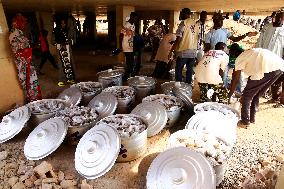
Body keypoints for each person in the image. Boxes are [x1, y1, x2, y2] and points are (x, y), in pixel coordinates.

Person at [228, 48, 284, 127]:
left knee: (247, 95)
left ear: (233, 55)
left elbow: (236, 78)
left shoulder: (240, 58)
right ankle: (252, 119)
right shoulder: (250, 52)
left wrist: (230, 94)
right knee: (257, 93)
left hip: (267, 69)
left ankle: (245, 121)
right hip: (279, 67)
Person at [9, 14, 42, 102]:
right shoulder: (14, 34)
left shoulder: (19, 33)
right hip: (24, 63)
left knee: (32, 82)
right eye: (23, 23)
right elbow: (17, 51)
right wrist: (31, 49)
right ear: (18, 23)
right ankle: (33, 101)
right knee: (29, 83)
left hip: (28, 62)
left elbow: (24, 47)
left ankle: (36, 100)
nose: (24, 25)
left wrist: (31, 48)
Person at [256, 12, 284, 103]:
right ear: (275, 18)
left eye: (282, 18)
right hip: (263, 58)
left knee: (276, 81)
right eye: (278, 18)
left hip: (277, 60)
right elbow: (260, 41)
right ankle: (257, 96)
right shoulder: (267, 27)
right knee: (260, 78)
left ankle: (275, 97)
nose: (279, 20)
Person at [169, 8, 200, 84]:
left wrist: (172, 50)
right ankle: (188, 87)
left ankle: (179, 87)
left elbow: (179, 38)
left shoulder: (184, 23)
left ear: (186, 14)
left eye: (182, 13)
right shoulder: (195, 24)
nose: (181, 15)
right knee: (189, 71)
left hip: (183, 52)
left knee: (178, 70)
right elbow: (198, 37)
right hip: (193, 52)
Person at [52, 19, 76, 86]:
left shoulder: (67, 30)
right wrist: (60, 44)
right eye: (62, 23)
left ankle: (70, 79)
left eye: (64, 23)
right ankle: (60, 80)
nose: (63, 25)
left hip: (68, 49)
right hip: (60, 50)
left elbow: (72, 40)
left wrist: (69, 41)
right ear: (59, 24)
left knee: (69, 64)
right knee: (61, 65)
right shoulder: (55, 31)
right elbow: (52, 41)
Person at [119, 12, 139, 80]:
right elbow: (121, 35)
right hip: (126, 46)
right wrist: (120, 46)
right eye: (135, 18)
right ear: (131, 17)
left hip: (131, 46)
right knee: (129, 62)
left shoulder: (133, 25)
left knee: (131, 61)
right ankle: (127, 76)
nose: (135, 20)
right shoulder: (126, 25)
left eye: (136, 18)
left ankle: (129, 75)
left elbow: (132, 35)